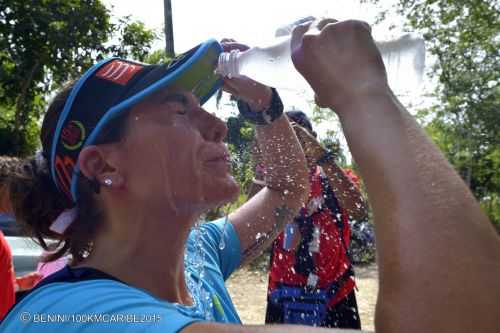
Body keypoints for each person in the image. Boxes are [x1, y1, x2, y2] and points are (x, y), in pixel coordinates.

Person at [1, 18, 499, 333]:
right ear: (104, 166)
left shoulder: (197, 254)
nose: (217, 124)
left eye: (206, 106)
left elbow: (287, 191)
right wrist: (364, 97)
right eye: (180, 111)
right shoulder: (71, 316)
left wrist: (265, 109)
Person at [249, 111, 367, 328]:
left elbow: (359, 210)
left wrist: (321, 156)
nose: (292, 146)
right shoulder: (273, 182)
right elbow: (250, 226)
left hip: (336, 292)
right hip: (282, 293)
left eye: (298, 138)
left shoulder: (332, 177)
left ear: (312, 138)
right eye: (284, 139)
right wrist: (263, 161)